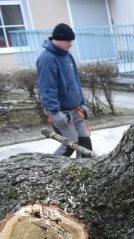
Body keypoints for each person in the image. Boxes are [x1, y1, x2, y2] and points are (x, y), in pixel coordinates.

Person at [36, 23, 91, 157]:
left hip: (76, 108)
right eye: (67, 41)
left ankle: (85, 173)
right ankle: (48, 170)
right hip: (61, 111)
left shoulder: (67, 56)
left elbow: (75, 81)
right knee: (70, 144)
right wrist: (54, 112)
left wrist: (82, 102)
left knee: (85, 143)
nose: (70, 44)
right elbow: (47, 87)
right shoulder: (47, 59)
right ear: (57, 39)